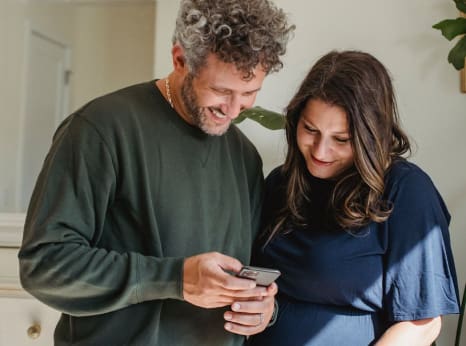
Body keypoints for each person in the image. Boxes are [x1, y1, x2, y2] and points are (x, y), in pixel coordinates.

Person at [18, 0, 294, 345]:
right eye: (222, 91)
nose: (234, 110)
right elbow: (44, 266)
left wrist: (263, 310)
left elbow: (247, 271)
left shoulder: (245, 157)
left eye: (250, 93)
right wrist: (174, 278)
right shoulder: (100, 129)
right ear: (180, 59)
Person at [248, 50, 460, 346]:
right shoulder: (280, 184)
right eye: (310, 130)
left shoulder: (407, 191)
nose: (320, 152)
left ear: (371, 136)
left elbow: (421, 324)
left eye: (341, 140)